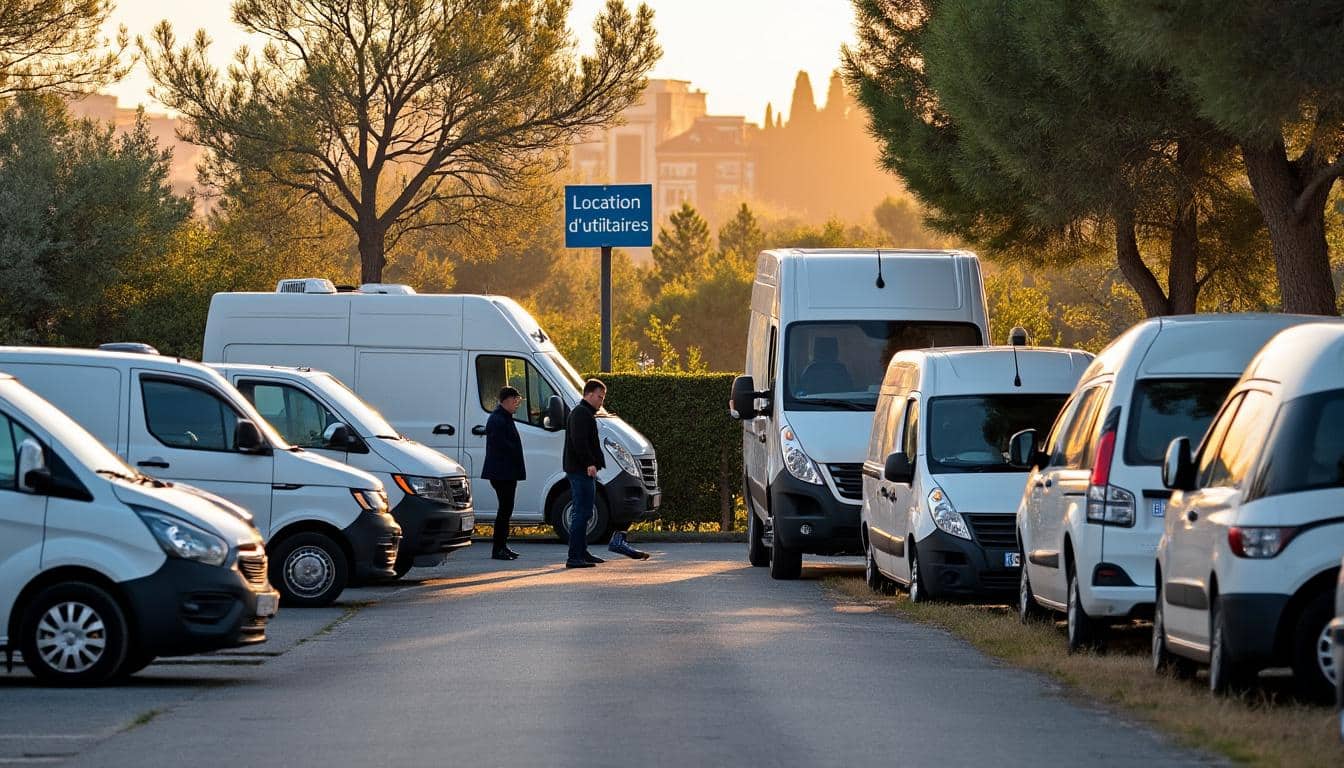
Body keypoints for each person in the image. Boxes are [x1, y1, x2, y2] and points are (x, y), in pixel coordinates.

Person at [563, 379, 608, 568]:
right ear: (589, 394)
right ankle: (574, 556)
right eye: (599, 397)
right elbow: (579, 441)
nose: (601, 401)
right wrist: (589, 463)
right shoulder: (581, 413)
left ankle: (582, 551)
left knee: (585, 511)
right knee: (581, 512)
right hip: (580, 470)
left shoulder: (584, 413)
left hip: (581, 470)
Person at [481, 386, 525, 561]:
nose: (517, 404)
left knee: (506, 510)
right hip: (502, 473)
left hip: (507, 472)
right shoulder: (498, 419)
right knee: (504, 510)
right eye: (515, 400)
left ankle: (503, 546)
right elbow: (501, 446)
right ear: (506, 400)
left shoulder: (504, 417)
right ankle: (498, 548)